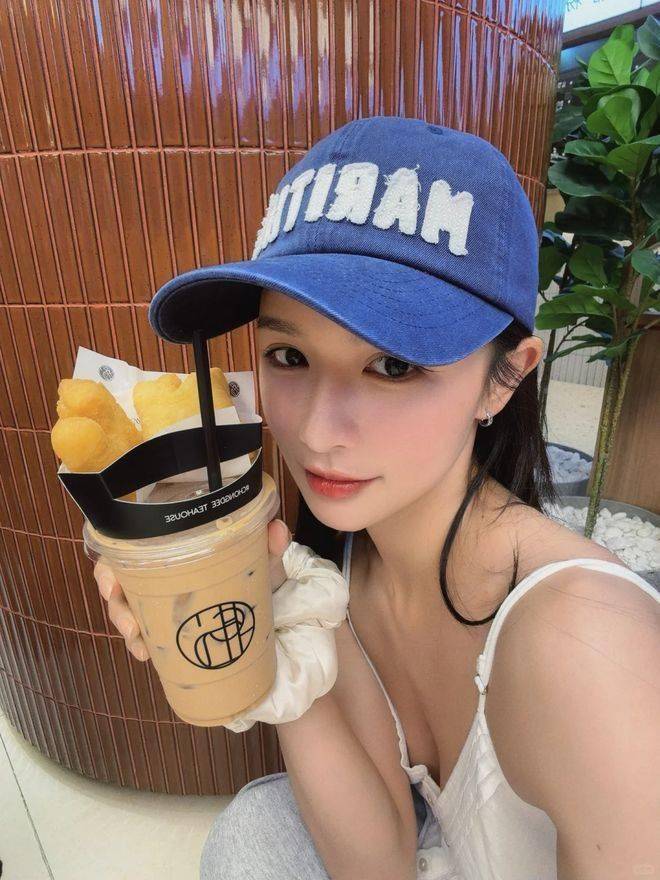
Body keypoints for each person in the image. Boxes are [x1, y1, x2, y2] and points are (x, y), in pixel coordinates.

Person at [95, 118, 659, 880]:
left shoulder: (586, 647)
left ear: (505, 377)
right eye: (288, 355)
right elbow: (377, 864)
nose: (317, 432)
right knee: (252, 834)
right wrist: (274, 630)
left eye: (393, 366)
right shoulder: (351, 566)